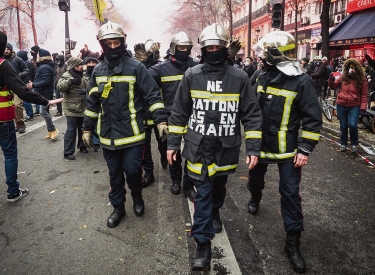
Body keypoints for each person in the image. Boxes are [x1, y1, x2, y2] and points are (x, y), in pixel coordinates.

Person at [167, 23, 262, 272]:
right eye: (208, 47)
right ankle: (203, 246)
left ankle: (215, 212)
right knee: (204, 194)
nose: (213, 50)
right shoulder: (192, 75)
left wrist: (253, 148)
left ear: (225, 49)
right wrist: (173, 143)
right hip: (198, 147)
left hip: (226, 148)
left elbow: (251, 115)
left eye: (217, 47)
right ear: (203, 49)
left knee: (217, 190)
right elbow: (179, 112)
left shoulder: (239, 78)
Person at [248, 31, 322, 273]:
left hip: (287, 150)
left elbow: (312, 118)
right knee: (255, 180)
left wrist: (305, 148)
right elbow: (246, 105)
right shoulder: (260, 75)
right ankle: (255, 196)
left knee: (290, 193)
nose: (261, 58)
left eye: (265, 53)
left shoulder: (302, 81)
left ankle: (293, 243)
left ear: (277, 55)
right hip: (259, 145)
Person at [81, 21, 167, 228]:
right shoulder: (98, 71)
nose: (113, 47)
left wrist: (161, 120)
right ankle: (118, 207)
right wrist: (86, 128)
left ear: (122, 42)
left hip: (133, 134)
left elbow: (153, 95)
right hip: (108, 135)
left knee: (133, 171)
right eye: (108, 43)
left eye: (116, 42)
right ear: (102, 44)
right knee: (115, 175)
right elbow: (92, 102)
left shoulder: (136, 68)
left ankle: (137, 196)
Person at [0, 31, 62, 202]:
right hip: (3, 120)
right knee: (10, 154)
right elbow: (23, 91)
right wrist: (46, 102)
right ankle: (13, 191)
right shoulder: (3, 65)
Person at [147, 32, 198, 200]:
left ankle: (188, 183)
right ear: (173, 49)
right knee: (172, 151)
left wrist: (228, 59)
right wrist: (145, 61)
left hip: (193, 116)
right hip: (170, 117)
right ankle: (175, 180)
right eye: (180, 47)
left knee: (192, 152)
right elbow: (143, 80)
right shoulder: (160, 68)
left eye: (186, 48)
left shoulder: (198, 67)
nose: (184, 50)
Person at [328, 58, 368, 153]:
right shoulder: (343, 77)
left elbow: (364, 95)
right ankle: (343, 143)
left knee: (353, 124)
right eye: (350, 67)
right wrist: (331, 80)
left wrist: (363, 108)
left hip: (355, 105)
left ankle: (354, 143)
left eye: (354, 68)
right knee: (343, 125)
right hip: (341, 104)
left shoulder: (362, 80)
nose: (351, 70)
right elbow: (333, 86)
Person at [57, 57, 89, 160]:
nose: (82, 66)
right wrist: (70, 82)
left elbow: (90, 86)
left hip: (84, 106)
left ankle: (82, 146)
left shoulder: (84, 75)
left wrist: (86, 91)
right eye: (79, 64)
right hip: (71, 108)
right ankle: (68, 151)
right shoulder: (67, 75)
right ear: (74, 66)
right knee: (71, 130)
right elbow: (59, 87)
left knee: (83, 129)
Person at [26, 49, 59, 141]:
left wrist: (33, 84)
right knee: (46, 112)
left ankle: (53, 130)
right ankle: (50, 131)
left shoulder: (44, 67)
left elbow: (46, 81)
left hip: (45, 93)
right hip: (44, 92)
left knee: (43, 112)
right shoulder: (45, 66)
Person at [4, 43, 30, 133]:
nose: (6, 51)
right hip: (6, 87)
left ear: (11, 50)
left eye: (8, 49)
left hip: (17, 85)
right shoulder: (2, 60)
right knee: (10, 106)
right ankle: (17, 123)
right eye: (4, 49)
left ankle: (21, 122)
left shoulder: (17, 59)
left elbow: (26, 70)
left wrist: (17, 76)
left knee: (17, 105)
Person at [83, 53, 101, 152]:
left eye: (93, 62)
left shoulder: (99, 73)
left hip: (98, 102)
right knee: (88, 122)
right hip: (85, 103)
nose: (91, 64)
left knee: (97, 122)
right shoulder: (83, 74)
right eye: (89, 62)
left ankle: (97, 142)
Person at [16, 50, 35, 122]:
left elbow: (28, 73)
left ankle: (30, 114)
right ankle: (30, 114)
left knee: (26, 100)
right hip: (27, 82)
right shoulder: (28, 63)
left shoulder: (26, 63)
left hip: (26, 82)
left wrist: (29, 80)